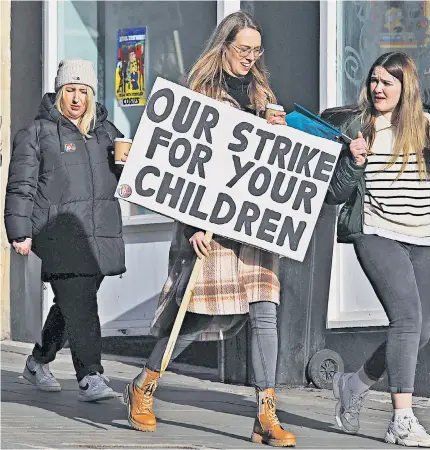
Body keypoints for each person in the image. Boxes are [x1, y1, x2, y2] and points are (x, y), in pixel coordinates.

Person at [123, 11, 296, 447]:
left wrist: (282, 136)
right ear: (223, 47)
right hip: (211, 224)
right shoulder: (200, 93)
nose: (251, 59)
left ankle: (265, 413)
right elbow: (186, 165)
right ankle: (143, 384)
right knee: (197, 317)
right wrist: (192, 224)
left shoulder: (263, 94)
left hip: (254, 226)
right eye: (243, 49)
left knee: (265, 313)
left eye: (257, 50)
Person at [323, 52, 430, 447]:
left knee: (419, 333)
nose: (378, 88)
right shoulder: (359, 128)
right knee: (405, 320)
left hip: (424, 236)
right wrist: (353, 162)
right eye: (374, 81)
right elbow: (334, 195)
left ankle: (353, 385)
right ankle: (401, 420)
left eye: (387, 82)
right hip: (376, 232)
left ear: (407, 88)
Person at [4, 58, 127, 402]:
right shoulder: (37, 134)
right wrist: (19, 231)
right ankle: (90, 376)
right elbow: (21, 186)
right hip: (56, 232)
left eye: (83, 91)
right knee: (81, 302)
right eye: (70, 90)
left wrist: (128, 167)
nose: (76, 98)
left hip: (98, 232)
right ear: (59, 93)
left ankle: (38, 361)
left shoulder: (106, 132)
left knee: (70, 302)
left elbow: (122, 179)